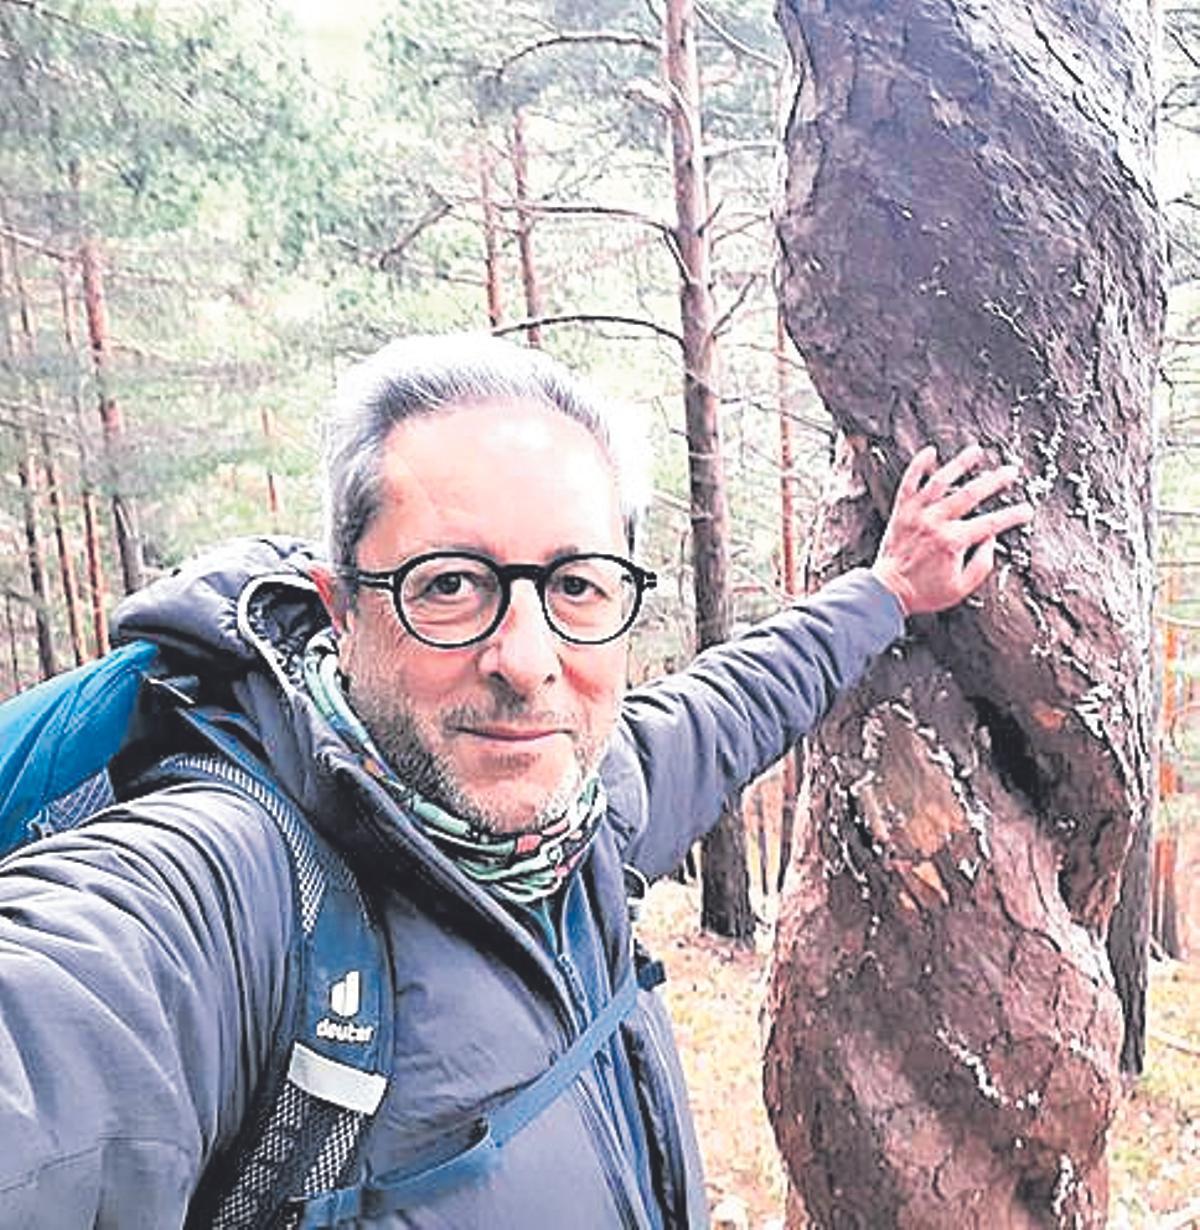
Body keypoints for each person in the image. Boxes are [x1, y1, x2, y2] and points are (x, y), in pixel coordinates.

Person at [0, 333, 1032, 1228]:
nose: (527, 659)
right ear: (341, 605)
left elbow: (735, 702)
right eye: (449, 585)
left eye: (576, 585)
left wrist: (890, 589)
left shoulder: (587, 811)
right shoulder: (233, 890)